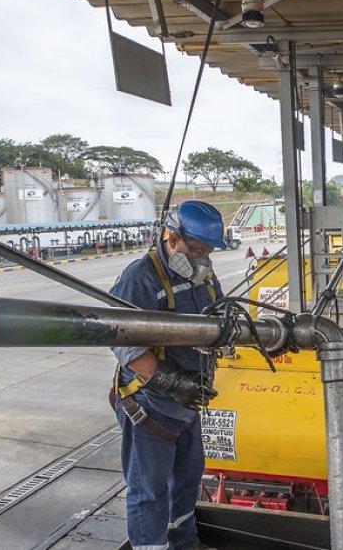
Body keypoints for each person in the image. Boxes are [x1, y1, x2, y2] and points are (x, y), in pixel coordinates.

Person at [109, 200, 226, 550]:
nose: (202, 258)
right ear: (173, 238)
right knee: (149, 492)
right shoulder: (140, 279)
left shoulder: (202, 274)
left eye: (208, 252)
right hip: (151, 406)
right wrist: (174, 382)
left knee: (187, 481)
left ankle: (184, 543)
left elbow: (218, 313)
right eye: (196, 249)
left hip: (187, 404)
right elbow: (124, 343)